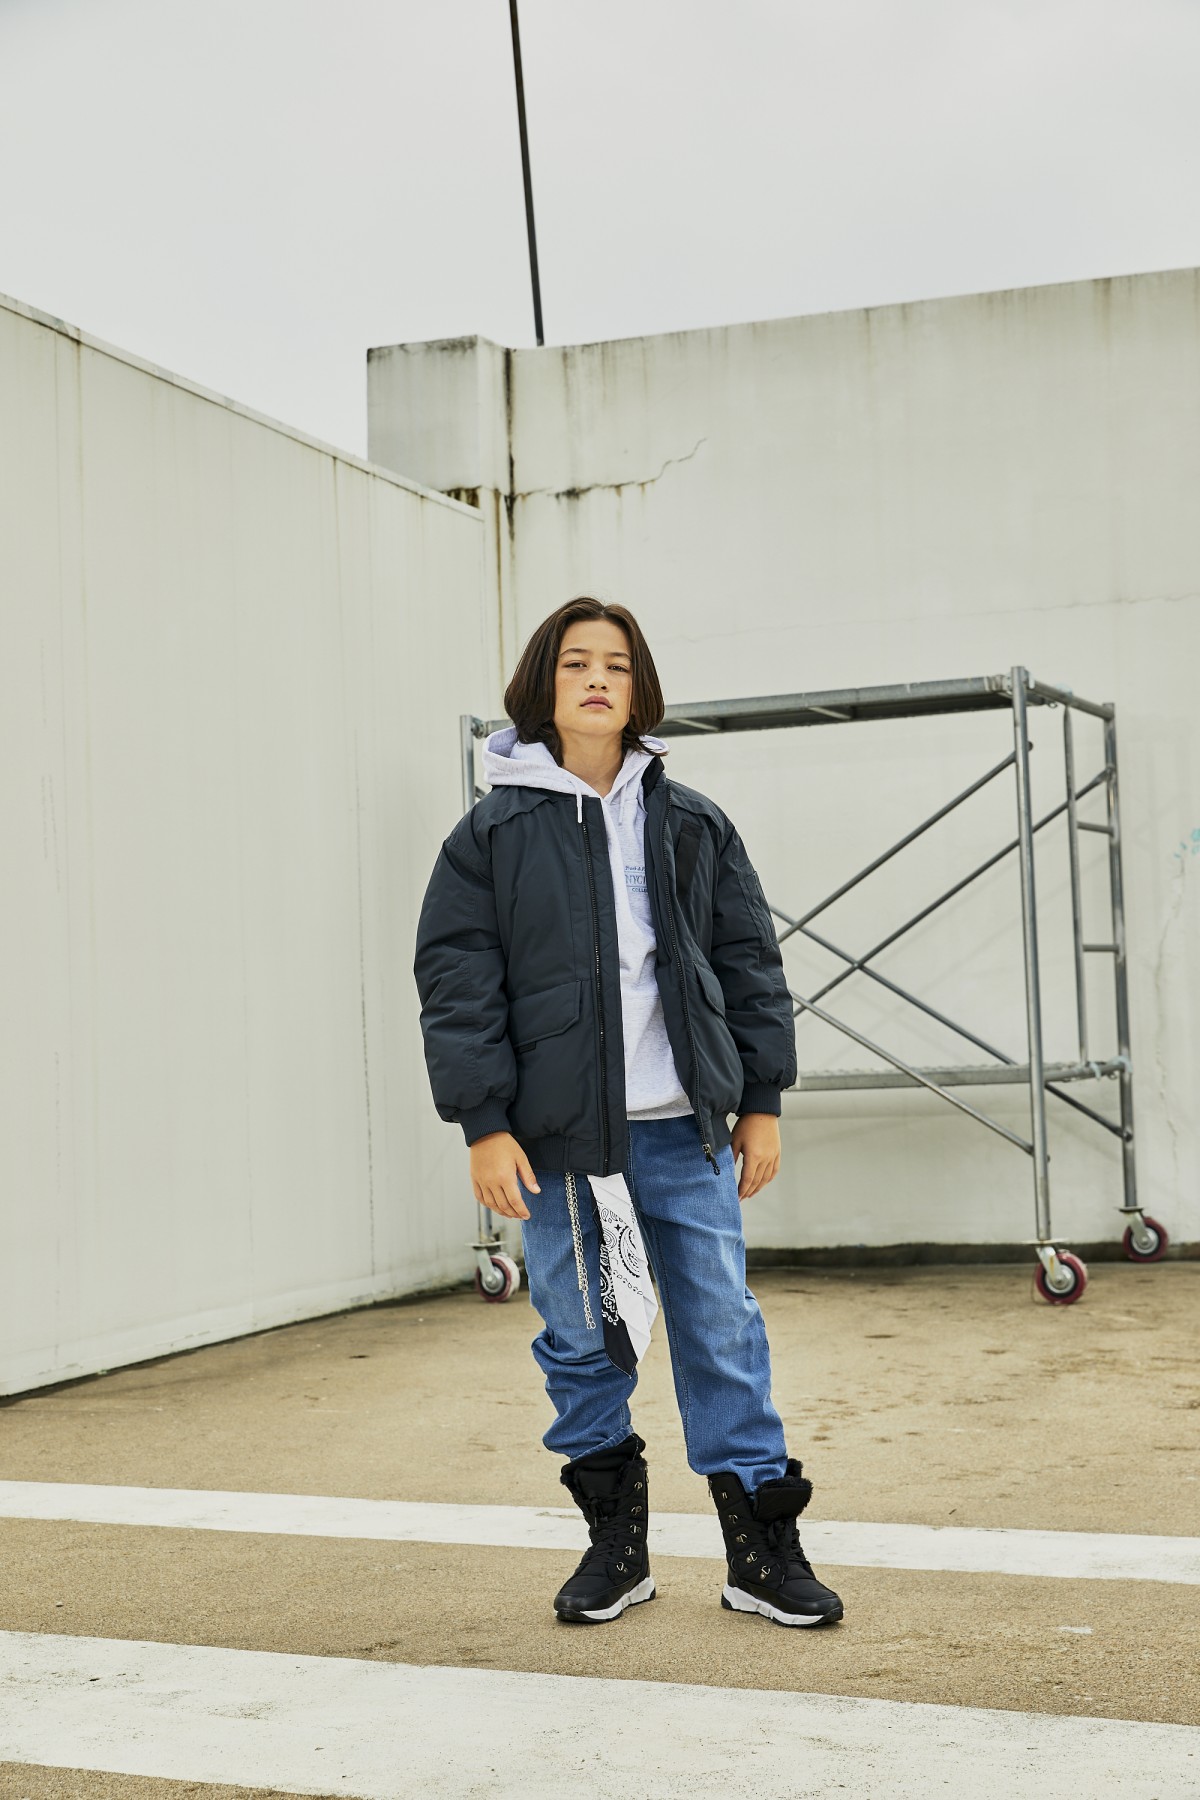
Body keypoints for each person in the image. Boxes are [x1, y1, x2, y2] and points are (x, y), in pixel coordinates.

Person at [413, 597, 843, 1630]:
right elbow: (457, 984)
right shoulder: (490, 836)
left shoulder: (692, 821)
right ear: (542, 686)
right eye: (575, 663)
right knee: (580, 1339)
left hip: (685, 1129)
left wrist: (761, 1102)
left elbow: (748, 961)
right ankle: (616, 1546)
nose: (597, 679)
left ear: (640, 688)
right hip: (560, 1146)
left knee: (721, 1328)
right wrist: (484, 1124)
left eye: (616, 664)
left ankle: (760, 1553)